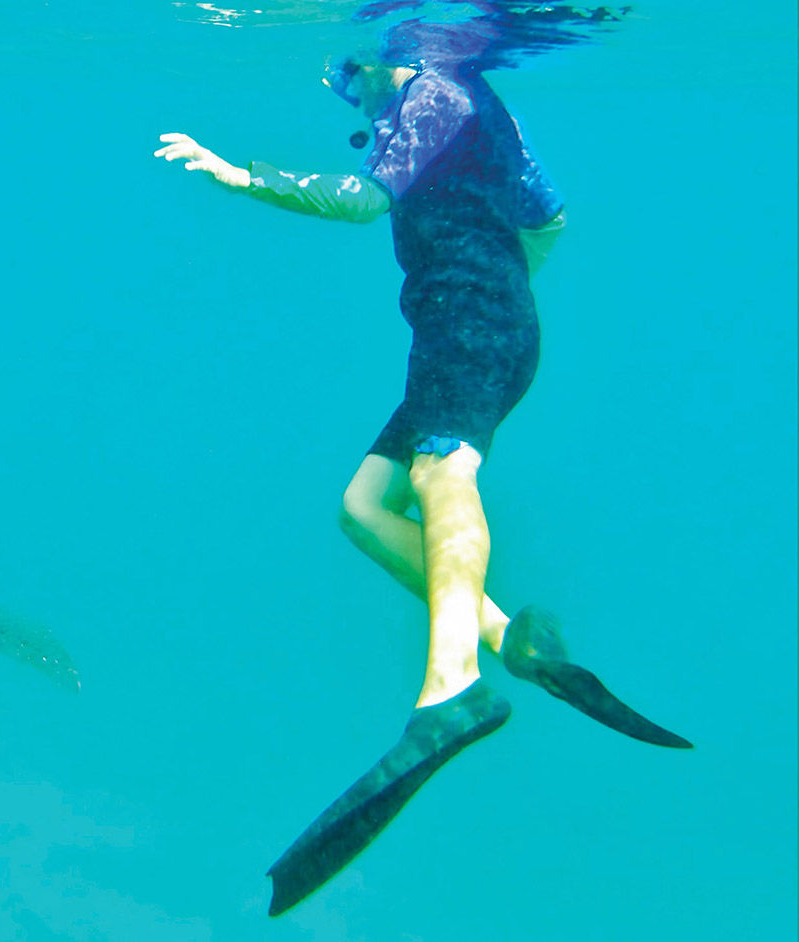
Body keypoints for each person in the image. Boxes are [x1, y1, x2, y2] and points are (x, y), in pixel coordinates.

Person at [156, 35, 690, 918]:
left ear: (380, 59)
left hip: (468, 326)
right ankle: (511, 639)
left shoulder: (433, 91)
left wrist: (234, 175)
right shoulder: (469, 106)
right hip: (474, 326)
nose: (350, 102)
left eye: (348, 81)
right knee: (364, 509)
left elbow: (361, 202)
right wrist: (505, 290)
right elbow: (549, 216)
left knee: (446, 474)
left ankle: (451, 691)